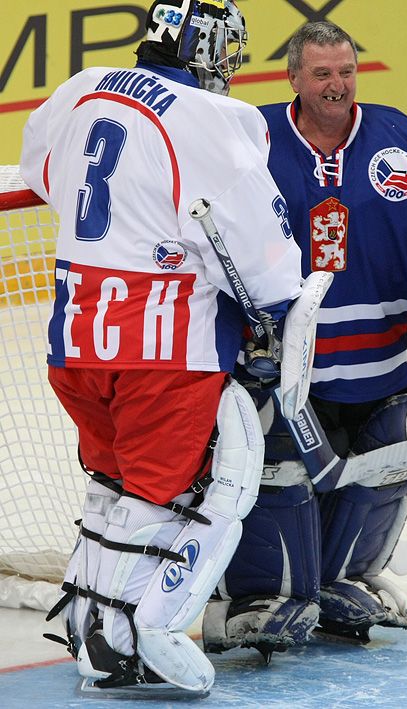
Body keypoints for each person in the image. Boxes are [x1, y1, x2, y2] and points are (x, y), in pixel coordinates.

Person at [18, 0, 309, 695]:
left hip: (76, 336)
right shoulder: (210, 120)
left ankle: (85, 612)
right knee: (161, 497)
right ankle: (116, 647)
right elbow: (264, 262)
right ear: (205, 50)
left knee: (109, 484)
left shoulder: (83, 86)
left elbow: (39, 168)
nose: (231, 70)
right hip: (161, 346)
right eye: (228, 53)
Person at [202, 21, 407, 659]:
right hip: (281, 372)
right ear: (293, 78)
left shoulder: (402, 139)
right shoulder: (249, 141)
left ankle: (346, 577)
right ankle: (253, 594)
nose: (337, 86)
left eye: (345, 72)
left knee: (404, 442)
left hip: (383, 366)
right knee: (271, 470)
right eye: (321, 74)